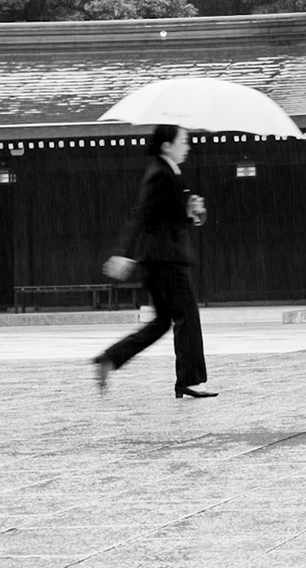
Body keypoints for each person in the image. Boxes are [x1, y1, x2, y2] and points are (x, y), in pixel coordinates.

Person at [92, 125, 217, 398]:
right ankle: (191, 379)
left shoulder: (170, 173)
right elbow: (142, 214)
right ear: (166, 145)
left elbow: (168, 217)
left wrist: (192, 212)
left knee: (162, 322)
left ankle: (110, 359)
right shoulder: (160, 174)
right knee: (187, 316)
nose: (188, 146)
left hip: (161, 259)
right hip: (165, 260)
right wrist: (123, 252)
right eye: (183, 141)